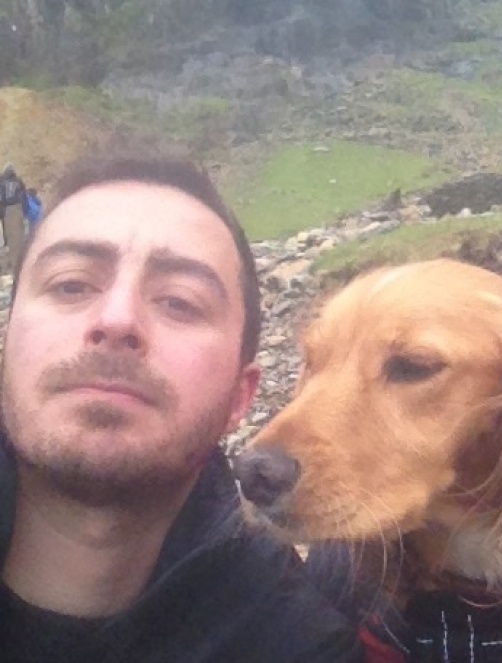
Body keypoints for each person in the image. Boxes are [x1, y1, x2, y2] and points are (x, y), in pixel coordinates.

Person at [0, 154, 362, 662]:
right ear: (7, 343)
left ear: (240, 397)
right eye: (71, 284)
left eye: (180, 301)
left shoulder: (299, 645)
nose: (117, 319)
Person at [0, 163, 27, 272]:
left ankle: (13, 262)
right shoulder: (18, 181)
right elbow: (24, 196)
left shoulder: (2, 183)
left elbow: (1, 198)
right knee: (19, 236)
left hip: (8, 209)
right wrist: (25, 211)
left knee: (10, 237)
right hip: (18, 208)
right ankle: (20, 261)